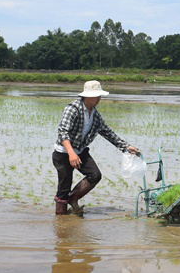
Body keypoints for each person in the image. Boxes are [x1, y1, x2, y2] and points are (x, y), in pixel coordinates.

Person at [52, 80, 139, 215]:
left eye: (99, 96)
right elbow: (63, 132)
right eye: (97, 96)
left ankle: (73, 199)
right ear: (88, 96)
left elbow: (107, 132)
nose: (99, 99)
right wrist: (71, 154)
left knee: (95, 175)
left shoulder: (94, 114)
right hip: (64, 153)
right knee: (64, 187)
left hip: (80, 151)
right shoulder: (73, 109)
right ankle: (61, 222)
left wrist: (126, 147)